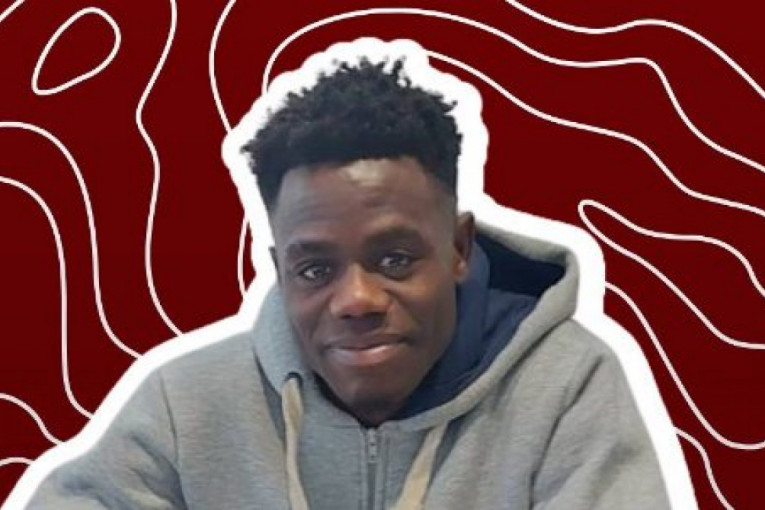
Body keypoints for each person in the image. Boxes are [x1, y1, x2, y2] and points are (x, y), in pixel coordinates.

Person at [17, 39, 676, 509]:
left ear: (457, 248)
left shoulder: (565, 386)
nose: (356, 299)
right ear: (279, 270)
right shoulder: (187, 406)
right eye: (314, 268)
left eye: (394, 260)